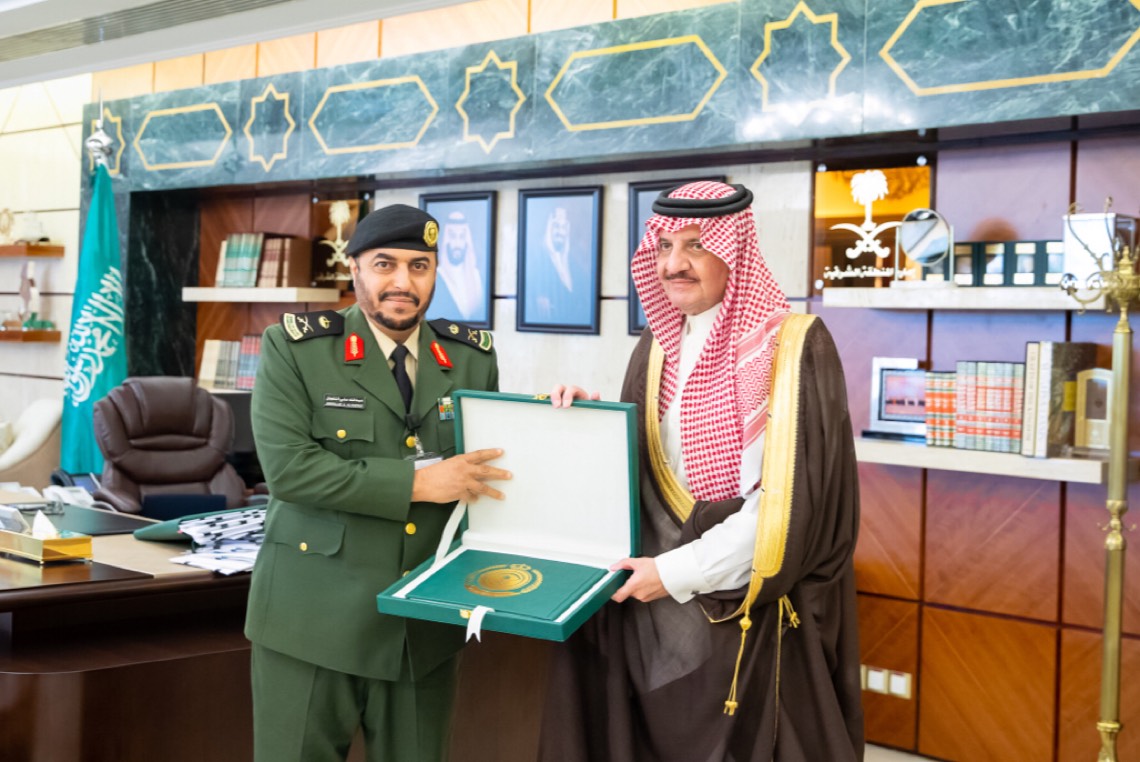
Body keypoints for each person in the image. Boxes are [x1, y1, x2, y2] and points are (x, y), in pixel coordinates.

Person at [540, 180, 864, 761]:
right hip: (655, 611)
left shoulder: (794, 349)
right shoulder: (656, 346)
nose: (673, 264)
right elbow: (650, 469)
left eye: (695, 245)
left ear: (734, 250)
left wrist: (674, 572)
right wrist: (590, 421)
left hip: (749, 614)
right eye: (664, 246)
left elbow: (787, 510)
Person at [245, 203, 511, 762]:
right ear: (355, 269)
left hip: (422, 626)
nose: (402, 282)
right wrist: (419, 484)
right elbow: (290, 471)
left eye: (420, 266)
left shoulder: (470, 358)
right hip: (313, 620)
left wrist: (563, 413)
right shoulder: (295, 348)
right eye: (384, 264)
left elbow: (493, 465)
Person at [430, 209, 486, 323]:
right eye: (452, 236)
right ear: (446, 240)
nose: (457, 244)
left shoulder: (477, 277)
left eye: (461, 237)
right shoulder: (437, 277)